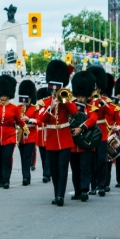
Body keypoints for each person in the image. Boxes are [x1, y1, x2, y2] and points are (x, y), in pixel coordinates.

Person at [39, 60, 78, 207]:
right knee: (54, 169)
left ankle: (60, 195)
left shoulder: (66, 97)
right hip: (52, 140)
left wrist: (64, 98)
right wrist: (51, 106)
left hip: (65, 137)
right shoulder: (45, 102)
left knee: (63, 167)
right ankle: (57, 193)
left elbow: (74, 111)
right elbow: (41, 120)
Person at [0, 75, 27, 189]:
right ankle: (1, 179)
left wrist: (26, 131)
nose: (3, 97)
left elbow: (19, 121)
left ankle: (6, 180)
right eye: (2, 95)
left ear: (9, 95)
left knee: (7, 157)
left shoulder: (14, 108)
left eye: (5, 95)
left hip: (9, 136)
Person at [69, 71, 98, 202]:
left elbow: (93, 120)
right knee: (75, 168)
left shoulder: (91, 107)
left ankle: (85, 190)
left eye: (83, 96)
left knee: (85, 167)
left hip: (86, 142)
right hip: (73, 143)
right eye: (79, 96)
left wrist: (82, 127)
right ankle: (77, 191)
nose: (80, 99)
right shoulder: (72, 105)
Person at [86, 66, 114, 195]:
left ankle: (101, 184)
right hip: (90, 133)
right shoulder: (87, 101)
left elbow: (111, 112)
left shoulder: (105, 101)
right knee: (91, 161)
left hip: (102, 132)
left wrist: (102, 102)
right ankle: (92, 185)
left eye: (97, 88)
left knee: (102, 159)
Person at [17, 80, 38, 186]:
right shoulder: (18, 108)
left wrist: (28, 119)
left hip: (31, 135)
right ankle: (25, 176)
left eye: (28, 98)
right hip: (21, 136)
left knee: (26, 156)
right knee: (22, 156)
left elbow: (38, 121)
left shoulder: (35, 108)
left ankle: (26, 177)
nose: (26, 100)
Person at [35, 88, 51, 183]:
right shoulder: (40, 107)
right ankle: (47, 172)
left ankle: (46, 174)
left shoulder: (49, 105)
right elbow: (39, 118)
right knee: (43, 155)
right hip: (41, 134)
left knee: (48, 156)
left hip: (48, 133)